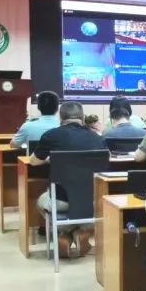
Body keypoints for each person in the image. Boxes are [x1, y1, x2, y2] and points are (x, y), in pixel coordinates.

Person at [30, 102, 108, 258]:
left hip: (61, 200)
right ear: (83, 117)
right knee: (89, 207)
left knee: (40, 202)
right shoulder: (97, 138)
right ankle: (81, 231)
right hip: (91, 200)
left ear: (61, 118)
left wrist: (51, 159)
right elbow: (107, 158)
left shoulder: (51, 135)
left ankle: (64, 233)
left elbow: (33, 161)